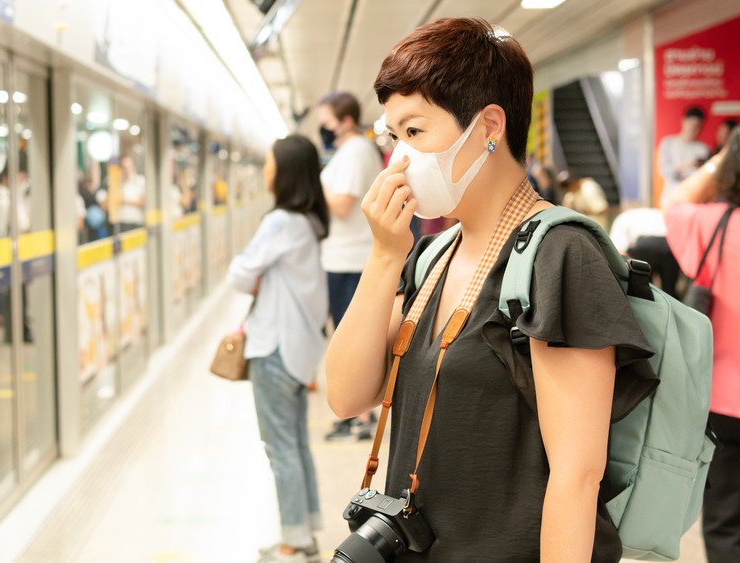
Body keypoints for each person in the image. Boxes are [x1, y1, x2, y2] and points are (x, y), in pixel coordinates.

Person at [326, 18, 657, 561]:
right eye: (393, 137)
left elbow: (577, 474)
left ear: (488, 126)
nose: (399, 160)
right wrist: (385, 255)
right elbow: (345, 394)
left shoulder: (560, 255)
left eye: (415, 132)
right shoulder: (433, 253)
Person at [228, 134, 329, 563]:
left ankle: (292, 541)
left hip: (273, 349)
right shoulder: (309, 223)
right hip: (301, 351)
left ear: (284, 171)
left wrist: (253, 272)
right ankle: (304, 528)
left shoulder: (280, 223)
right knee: (296, 444)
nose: (265, 170)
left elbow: (239, 273)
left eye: (270, 163)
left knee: (279, 447)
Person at [664, 128, 740, 563]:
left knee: (726, 518)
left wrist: (722, 157)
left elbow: (674, 202)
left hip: (723, 399)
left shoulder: (712, 222)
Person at [317, 91, 384, 441]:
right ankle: (355, 411)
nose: (323, 128)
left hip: (352, 259)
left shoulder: (357, 151)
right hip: (340, 256)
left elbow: (343, 205)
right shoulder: (347, 151)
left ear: (344, 120)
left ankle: (361, 416)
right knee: (343, 337)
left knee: (352, 339)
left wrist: (312, 189)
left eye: (326, 121)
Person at [658, 106, 710, 207]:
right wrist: (689, 165)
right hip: (672, 198)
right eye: (692, 124)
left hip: (695, 200)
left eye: (698, 126)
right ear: (683, 121)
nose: (694, 129)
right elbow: (665, 171)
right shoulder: (668, 143)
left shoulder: (704, 148)